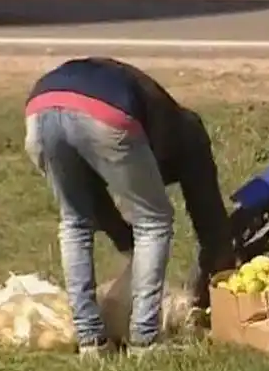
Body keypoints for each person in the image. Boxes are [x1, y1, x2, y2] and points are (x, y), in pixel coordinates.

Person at [24, 57, 236, 356]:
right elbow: (209, 218)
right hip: (103, 113)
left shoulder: (162, 116)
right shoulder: (189, 138)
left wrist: (126, 242)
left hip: (40, 107)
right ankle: (145, 338)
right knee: (155, 222)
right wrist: (221, 278)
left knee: (75, 222)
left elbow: (95, 202)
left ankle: (90, 341)